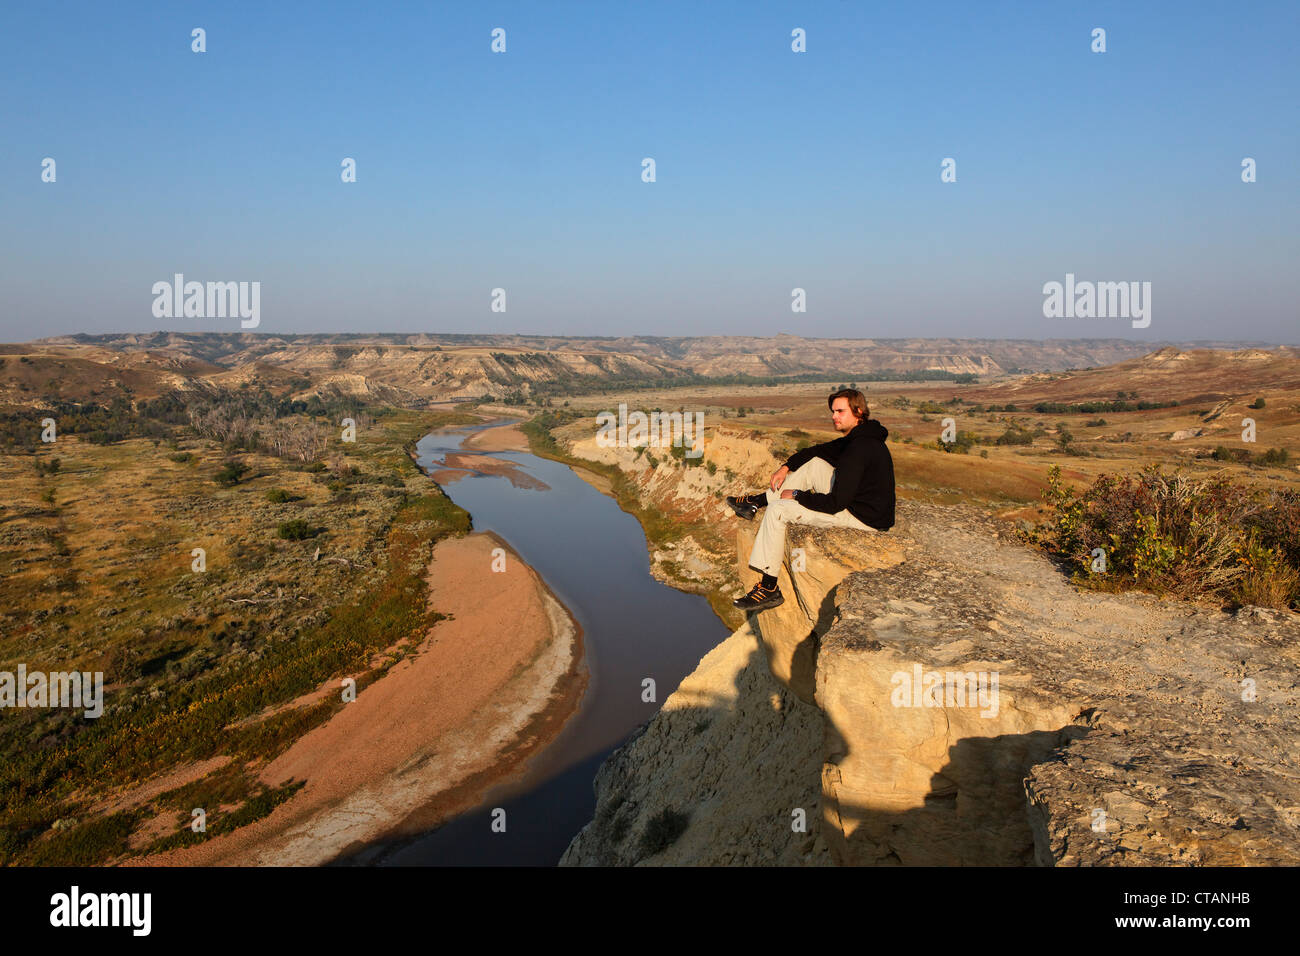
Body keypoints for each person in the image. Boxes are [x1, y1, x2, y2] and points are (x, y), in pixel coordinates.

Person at [726, 388, 894, 611]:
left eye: (840, 411)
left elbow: (836, 504)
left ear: (858, 411)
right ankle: (756, 501)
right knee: (815, 464)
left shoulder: (859, 449)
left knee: (778, 510)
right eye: (833, 411)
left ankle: (768, 589)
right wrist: (786, 467)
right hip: (860, 505)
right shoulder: (859, 437)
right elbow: (817, 451)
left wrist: (797, 495)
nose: (834, 416)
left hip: (863, 519)